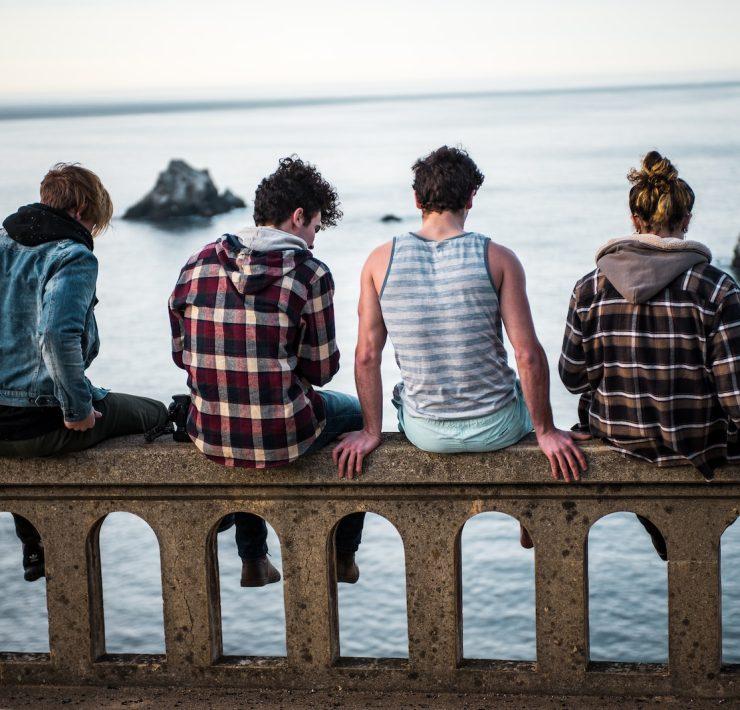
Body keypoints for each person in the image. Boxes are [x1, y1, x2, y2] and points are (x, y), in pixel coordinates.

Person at [332, 146, 588, 548]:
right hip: (498, 426)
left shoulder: (379, 262)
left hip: (425, 432)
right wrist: (546, 430)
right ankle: (526, 518)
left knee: (406, 393)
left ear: (417, 201)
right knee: (517, 393)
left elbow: (366, 356)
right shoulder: (498, 258)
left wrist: (369, 430)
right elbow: (527, 355)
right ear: (471, 198)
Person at [169, 156, 365, 587]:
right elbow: (322, 369)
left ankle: (253, 559)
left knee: (236, 405)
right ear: (298, 217)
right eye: (315, 227)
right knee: (359, 418)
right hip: (285, 435)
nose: (313, 241)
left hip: (208, 431)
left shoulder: (196, 262)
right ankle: (343, 554)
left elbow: (182, 354)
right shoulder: (310, 272)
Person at [559, 150, 740, 560]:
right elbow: (735, 398)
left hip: (618, 434)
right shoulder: (717, 288)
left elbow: (572, 378)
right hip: (698, 441)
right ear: (686, 220)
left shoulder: (590, 288)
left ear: (635, 221)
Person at [0, 163, 169, 582]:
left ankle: (34, 546)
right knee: (156, 414)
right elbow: (57, 336)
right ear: (79, 211)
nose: (93, 232)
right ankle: (218, 518)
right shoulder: (72, 255)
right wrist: (76, 409)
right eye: (94, 222)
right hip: (36, 421)